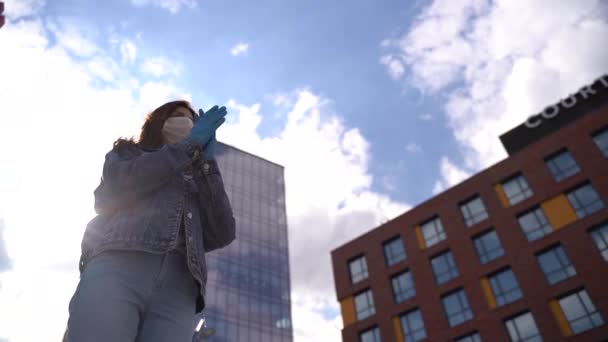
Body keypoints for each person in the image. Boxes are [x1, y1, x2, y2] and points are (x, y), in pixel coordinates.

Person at [64, 100, 236, 342]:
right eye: (176, 115)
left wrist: (207, 165)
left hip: (182, 286)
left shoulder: (200, 176)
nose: (185, 122)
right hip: (120, 262)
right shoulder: (128, 153)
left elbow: (223, 232)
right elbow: (115, 191)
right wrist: (187, 146)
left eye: (192, 120)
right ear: (158, 122)